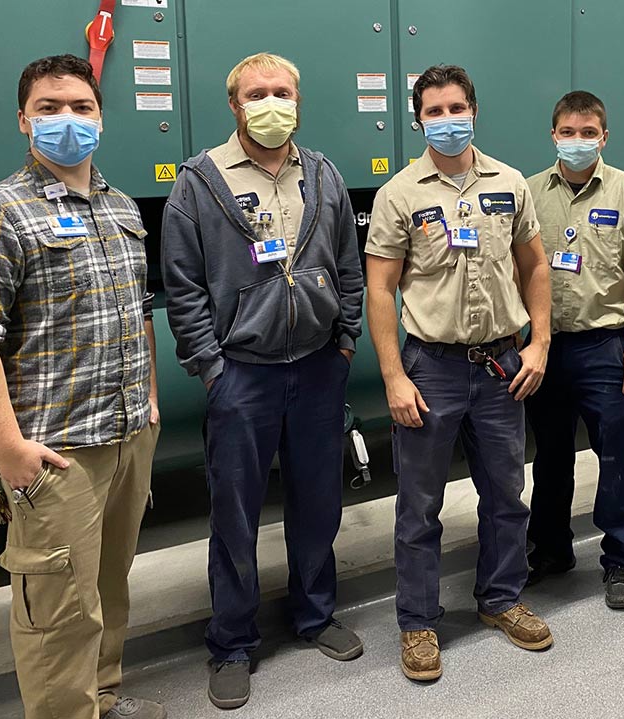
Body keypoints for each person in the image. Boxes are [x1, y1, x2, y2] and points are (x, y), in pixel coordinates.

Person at [0, 54, 163, 719]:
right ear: (23, 120)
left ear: (101, 117)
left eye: (81, 107)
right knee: (58, 610)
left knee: (107, 589)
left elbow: (137, 312)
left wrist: (149, 400)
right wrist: (9, 451)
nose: (67, 120)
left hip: (127, 434)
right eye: (49, 108)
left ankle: (101, 698)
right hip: (58, 453)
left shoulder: (122, 208)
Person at [160, 52, 364, 710]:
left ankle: (313, 613)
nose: (270, 103)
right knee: (235, 514)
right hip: (241, 374)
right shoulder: (200, 181)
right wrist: (211, 367)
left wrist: (345, 336)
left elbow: (347, 264)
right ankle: (232, 641)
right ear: (235, 105)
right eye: (257, 93)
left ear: (298, 101)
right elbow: (182, 286)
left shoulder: (323, 174)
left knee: (318, 502)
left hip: (315, 367)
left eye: (282, 92)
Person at [365, 64, 554, 683]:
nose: (447, 120)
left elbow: (537, 266)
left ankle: (501, 599)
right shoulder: (399, 194)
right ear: (418, 119)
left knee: (505, 493)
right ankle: (418, 622)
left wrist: (540, 343)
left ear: (475, 111)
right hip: (432, 368)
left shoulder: (510, 184)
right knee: (419, 505)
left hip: (501, 364)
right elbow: (380, 290)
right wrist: (394, 377)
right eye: (435, 111)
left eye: (457, 109)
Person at [524, 91, 624, 609]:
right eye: (568, 132)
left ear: (604, 137)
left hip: (607, 348)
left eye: (588, 133)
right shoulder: (529, 191)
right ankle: (551, 550)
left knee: (615, 457)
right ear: (553, 135)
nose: (578, 141)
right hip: (546, 348)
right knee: (550, 458)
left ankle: (621, 560)